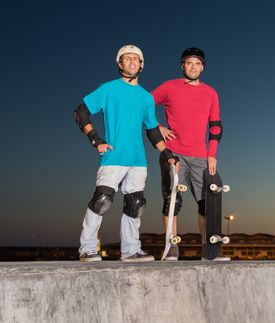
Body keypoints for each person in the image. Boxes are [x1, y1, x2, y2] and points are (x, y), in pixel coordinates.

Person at [74, 44, 178, 262]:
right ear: (120, 64)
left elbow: (152, 130)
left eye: (135, 59)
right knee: (102, 200)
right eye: (127, 58)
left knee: (136, 204)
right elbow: (80, 112)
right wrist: (96, 139)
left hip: (138, 160)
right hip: (113, 157)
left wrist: (167, 153)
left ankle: (130, 250)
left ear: (141, 65)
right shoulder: (108, 89)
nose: (131, 61)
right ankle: (87, 248)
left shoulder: (146, 98)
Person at [151, 47, 227, 261]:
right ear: (182, 65)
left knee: (207, 204)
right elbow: (143, 106)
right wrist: (158, 127)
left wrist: (211, 154)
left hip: (201, 156)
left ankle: (209, 250)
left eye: (197, 63)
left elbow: (216, 126)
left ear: (202, 67)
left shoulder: (210, 92)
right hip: (174, 152)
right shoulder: (169, 87)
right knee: (172, 200)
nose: (193, 67)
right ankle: (171, 248)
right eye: (188, 63)